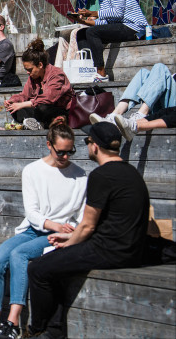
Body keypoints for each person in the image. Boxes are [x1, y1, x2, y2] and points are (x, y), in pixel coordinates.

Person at [26, 122, 149, 338]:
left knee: (38, 268)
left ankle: (40, 331)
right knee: (58, 265)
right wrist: (70, 235)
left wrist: (67, 244)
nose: (87, 146)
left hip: (109, 251)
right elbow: (108, 222)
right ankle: (54, 329)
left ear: (95, 147)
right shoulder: (131, 173)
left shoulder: (101, 176)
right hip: (129, 247)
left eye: (87, 141)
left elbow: (88, 225)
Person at [0, 119, 87, 339]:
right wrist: (52, 224)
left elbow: (81, 217)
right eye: (61, 152)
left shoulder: (81, 176)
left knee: (19, 254)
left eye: (70, 152)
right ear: (48, 145)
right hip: (35, 228)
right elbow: (32, 213)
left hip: (57, 234)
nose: (66, 157)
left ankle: (13, 322)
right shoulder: (32, 170)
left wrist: (66, 230)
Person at [73, 0, 149, 80]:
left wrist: (92, 13)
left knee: (92, 32)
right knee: (82, 33)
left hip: (134, 28)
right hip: (120, 27)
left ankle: (101, 73)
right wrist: (83, 22)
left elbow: (118, 13)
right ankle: (87, 71)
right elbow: (106, 22)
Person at [90, 63, 174, 141]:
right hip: (164, 105)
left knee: (160, 67)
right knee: (143, 73)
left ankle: (141, 115)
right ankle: (113, 116)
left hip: (172, 111)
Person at [4, 39, 73, 130]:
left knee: (42, 108)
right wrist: (13, 101)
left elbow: (49, 99)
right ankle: (35, 123)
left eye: (30, 70)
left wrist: (23, 104)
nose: (28, 73)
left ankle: (40, 123)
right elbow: (24, 95)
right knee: (15, 109)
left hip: (58, 110)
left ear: (40, 65)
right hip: (39, 109)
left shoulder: (56, 74)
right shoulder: (33, 77)